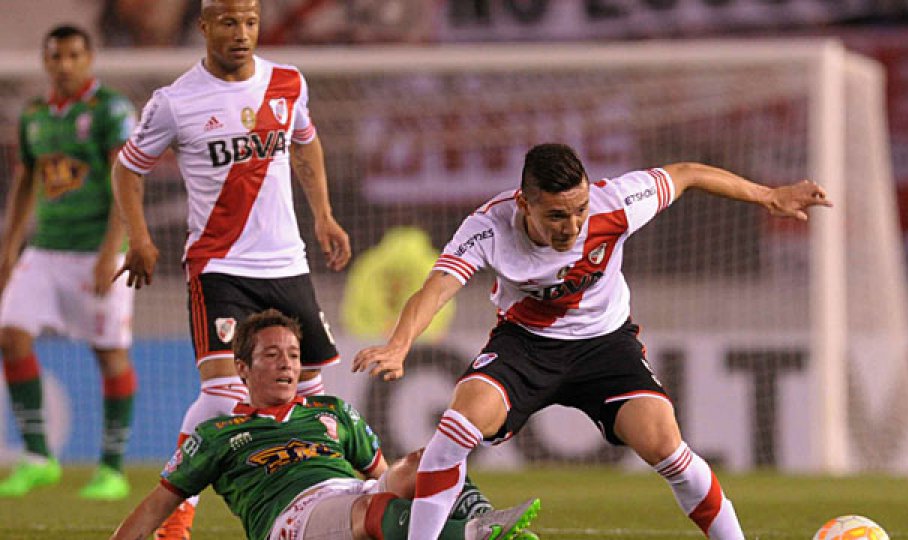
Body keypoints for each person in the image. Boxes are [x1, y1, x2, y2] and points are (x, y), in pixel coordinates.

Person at [353, 143, 835, 540]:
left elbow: (687, 173)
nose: (573, 226)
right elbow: (436, 288)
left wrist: (767, 195)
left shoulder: (616, 203)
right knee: (455, 428)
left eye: (580, 210)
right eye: (556, 215)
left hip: (605, 345)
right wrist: (399, 344)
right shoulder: (488, 227)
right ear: (524, 203)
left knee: (666, 446)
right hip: (526, 344)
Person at [111, 0, 351, 535]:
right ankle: (176, 520)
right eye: (228, 22)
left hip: (288, 264)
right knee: (223, 396)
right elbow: (127, 168)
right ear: (204, 27)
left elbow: (306, 144)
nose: (241, 32)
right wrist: (139, 236)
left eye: (250, 21)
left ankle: (326, 501)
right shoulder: (175, 101)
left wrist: (324, 215)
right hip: (220, 266)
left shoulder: (288, 82)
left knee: (307, 397)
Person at [110, 309, 540, 540]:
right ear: (242, 368)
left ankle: (486, 520)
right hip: (290, 520)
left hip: (349, 496)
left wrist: (408, 479)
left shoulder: (331, 411)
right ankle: (473, 535)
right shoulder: (217, 435)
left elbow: (383, 477)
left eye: (293, 355)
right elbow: (155, 507)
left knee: (425, 461)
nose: (287, 364)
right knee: (371, 512)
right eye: (272, 355)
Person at [0, 24, 138, 501]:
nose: (64, 64)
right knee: (10, 334)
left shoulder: (111, 110)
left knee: (108, 353)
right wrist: (10, 246)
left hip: (96, 250)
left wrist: (110, 250)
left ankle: (112, 469)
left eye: (73, 55)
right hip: (46, 249)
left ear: (89, 59)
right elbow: (26, 181)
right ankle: (39, 457)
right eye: (55, 56)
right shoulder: (35, 115)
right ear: (45, 61)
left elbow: (126, 179)